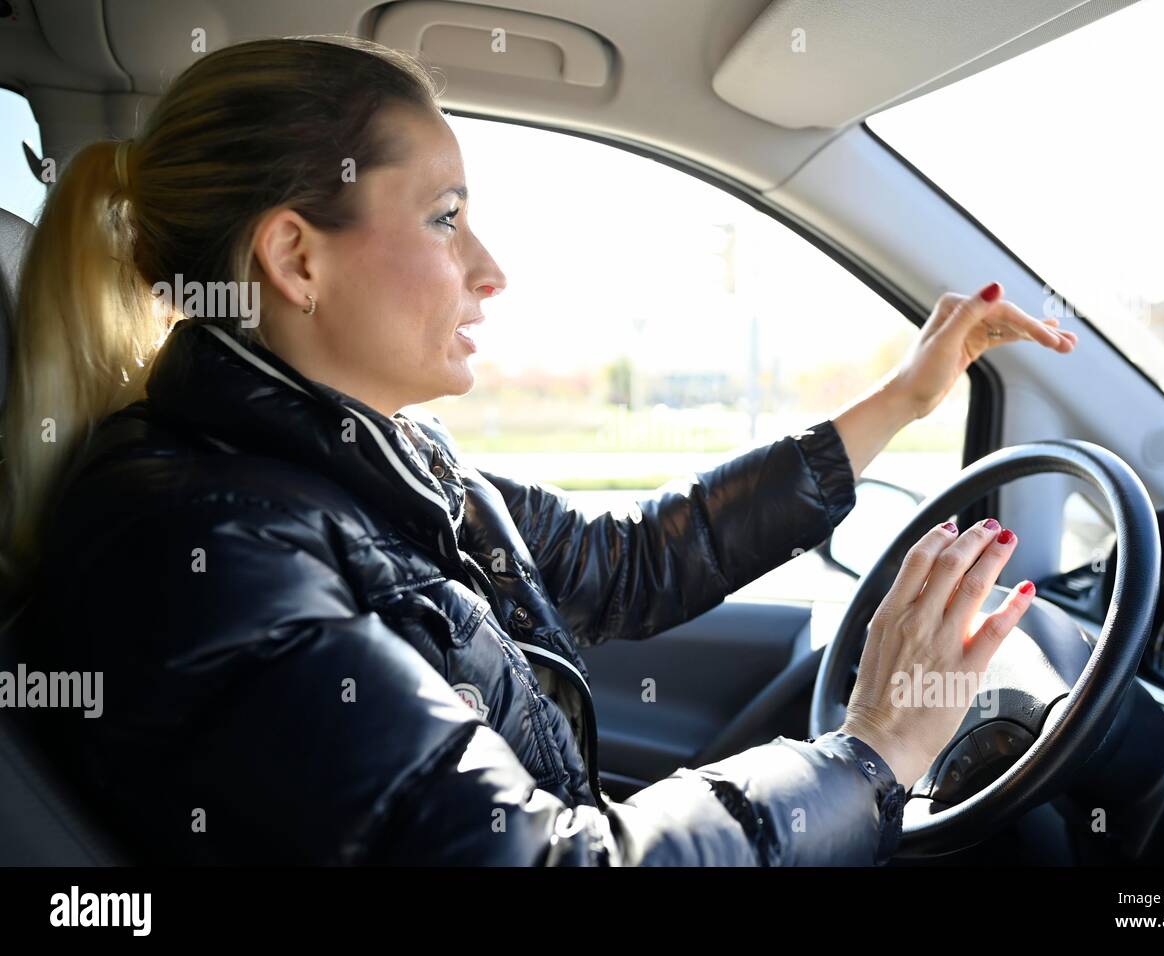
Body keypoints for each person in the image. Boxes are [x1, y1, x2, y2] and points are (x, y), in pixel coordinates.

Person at [0, 35, 1077, 865]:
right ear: (293, 255)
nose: (490, 267)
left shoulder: (364, 458)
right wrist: (875, 749)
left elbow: (631, 558)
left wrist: (903, 398)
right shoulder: (206, 541)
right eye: (443, 217)